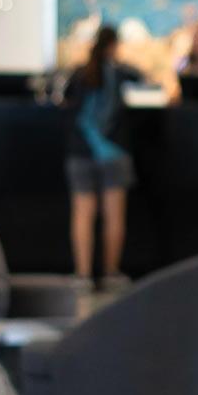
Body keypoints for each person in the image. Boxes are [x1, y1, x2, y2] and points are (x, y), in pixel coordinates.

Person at [62, 25, 144, 292]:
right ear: (114, 45)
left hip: (80, 152)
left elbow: (64, 104)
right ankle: (110, 273)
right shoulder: (121, 73)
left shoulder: (78, 74)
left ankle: (83, 275)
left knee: (82, 215)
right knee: (113, 216)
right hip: (113, 153)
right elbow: (146, 81)